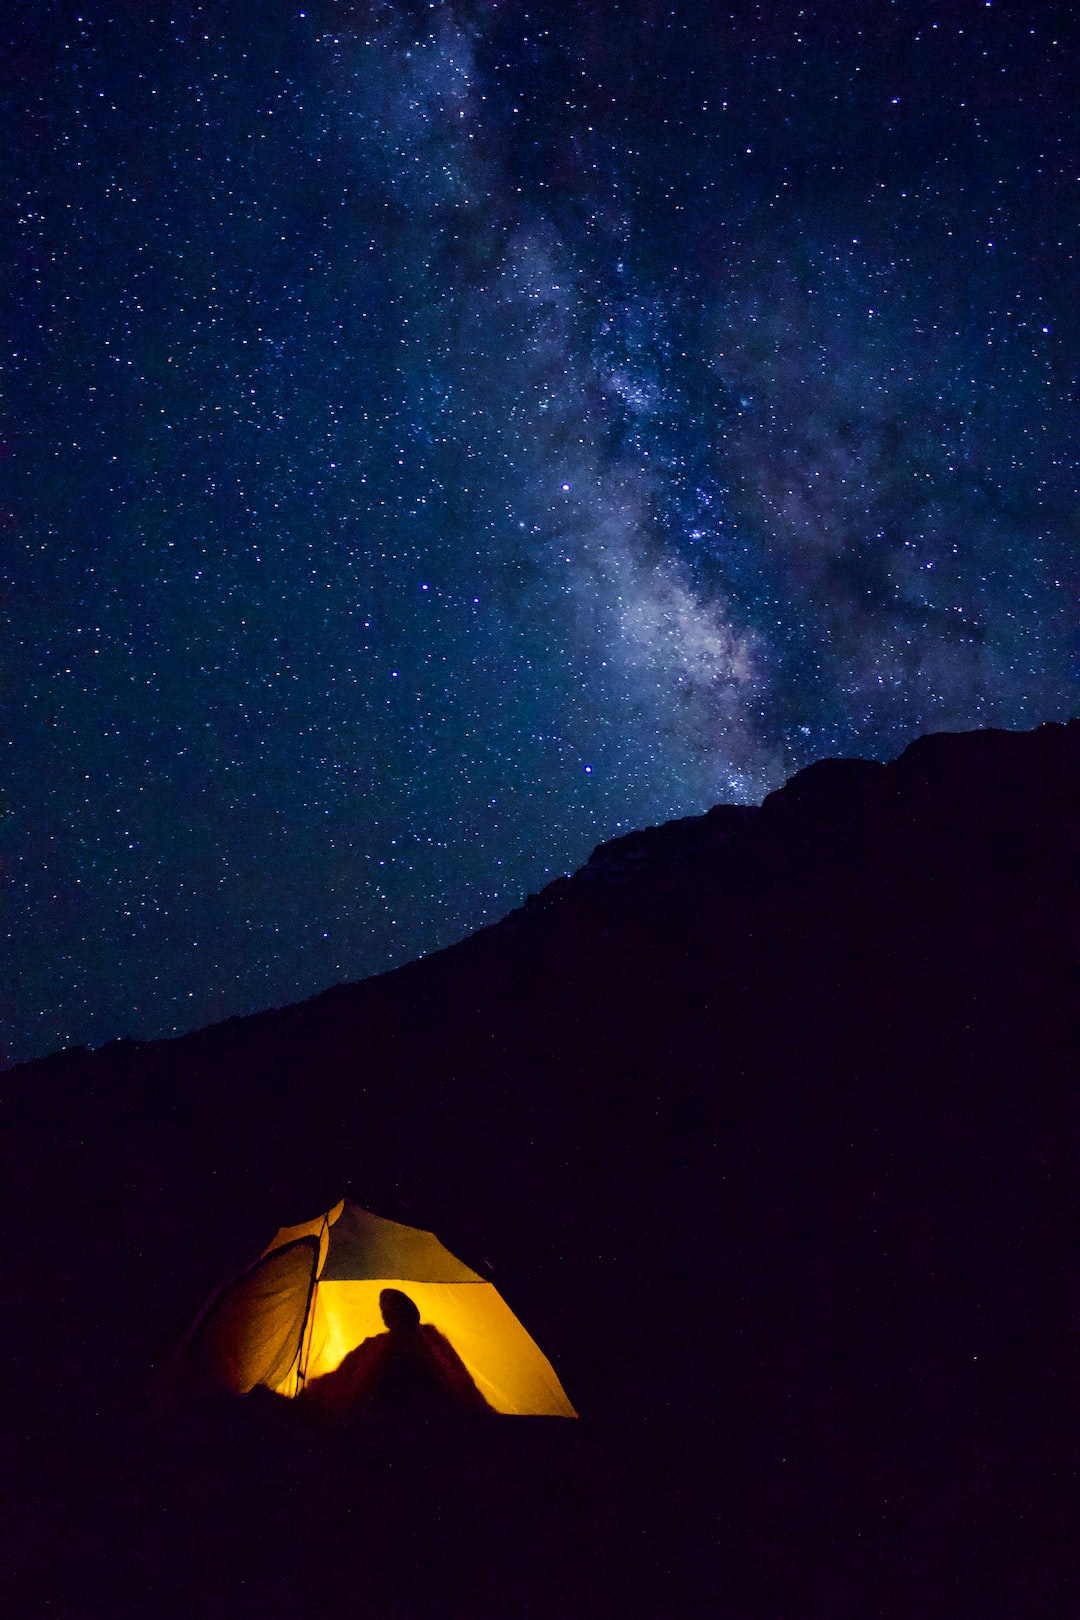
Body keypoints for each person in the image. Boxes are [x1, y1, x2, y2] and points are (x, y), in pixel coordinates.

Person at [301, 1288, 493, 1424]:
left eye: (388, 1309)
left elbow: (352, 1377)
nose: (384, 1314)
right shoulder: (426, 1339)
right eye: (384, 1309)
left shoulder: (421, 1341)